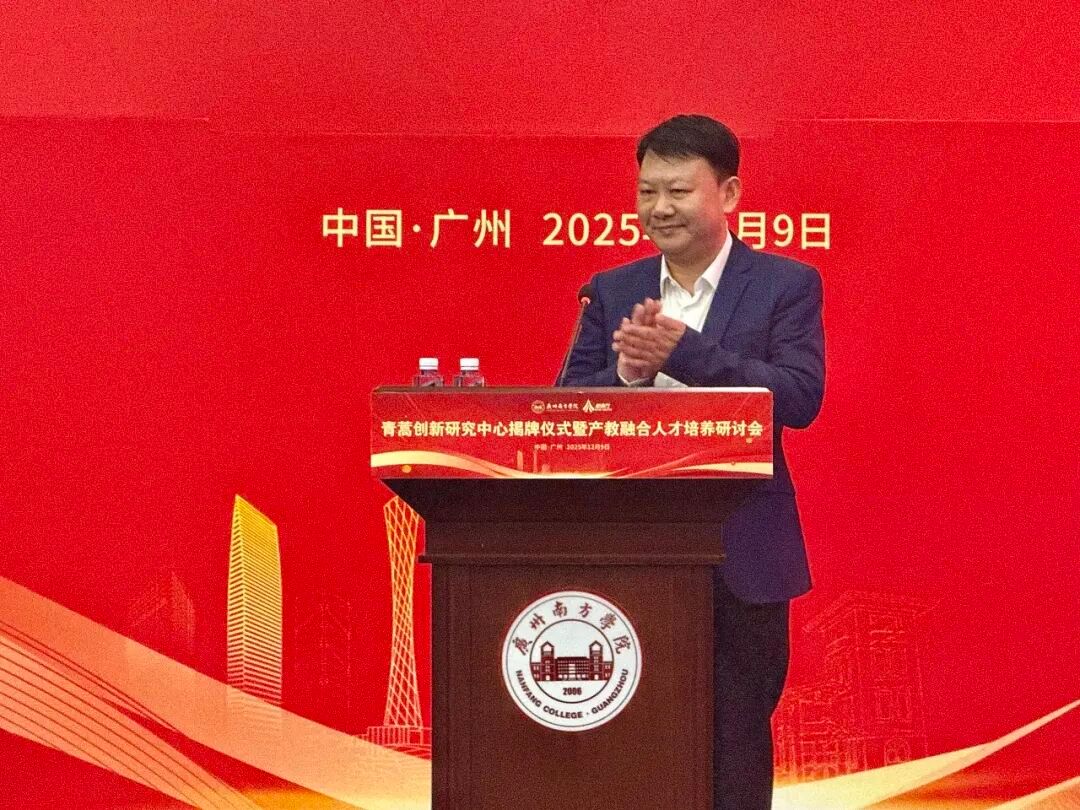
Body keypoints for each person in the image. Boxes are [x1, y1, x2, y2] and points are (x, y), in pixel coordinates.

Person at [560, 114, 825, 810]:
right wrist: (626, 376)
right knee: (629, 734)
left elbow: (800, 397)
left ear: (728, 193)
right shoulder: (612, 289)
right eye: (647, 191)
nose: (659, 208)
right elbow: (565, 408)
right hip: (628, 550)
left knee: (736, 738)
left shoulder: (785, 284)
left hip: (745, 551)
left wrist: (686, 353)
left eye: (678, 191)